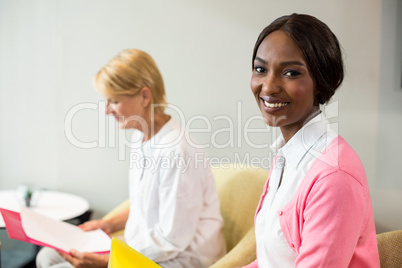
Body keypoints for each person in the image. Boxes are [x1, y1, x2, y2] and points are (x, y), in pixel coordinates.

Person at [36, 49, 226, 268]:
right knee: (48, 255)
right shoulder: (141, 136)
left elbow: (171, 240)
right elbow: (143, 204)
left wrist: (106, 262)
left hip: (180, 259)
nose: (107, 111)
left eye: (114, 101)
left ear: (145, 96)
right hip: (147, 245)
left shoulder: (177, 150)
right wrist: (107, 224)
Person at [242, 14, 380, 267]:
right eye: (260, 69)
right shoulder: (289, 156)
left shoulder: (333, 176)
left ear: (320, 81)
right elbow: (272, 260)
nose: (268, 86)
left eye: (291, 73)